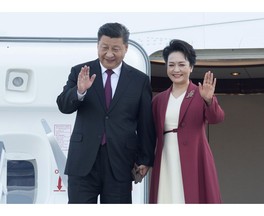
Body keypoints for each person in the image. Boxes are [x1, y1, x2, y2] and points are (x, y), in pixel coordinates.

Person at [56, 22, 155, 204]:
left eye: (115, 49)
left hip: (120, 162)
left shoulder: (139, 81)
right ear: (98, 46)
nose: (109, 54)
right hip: (83, 161)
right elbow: (63, 105)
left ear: (125, 48)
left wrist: (145, 158)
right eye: (104, 48)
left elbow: (145, 124)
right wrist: (79, 91)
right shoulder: (80, 71)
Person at [149, 39, 224, 204]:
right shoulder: (159, 100)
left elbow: (216, 118)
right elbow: (149, 133)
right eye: (171, 65)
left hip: (195, 159)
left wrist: (209, 101)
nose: (176, 70)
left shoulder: (201, 93)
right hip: (165, 158)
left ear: (191, 67)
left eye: (182, 65)